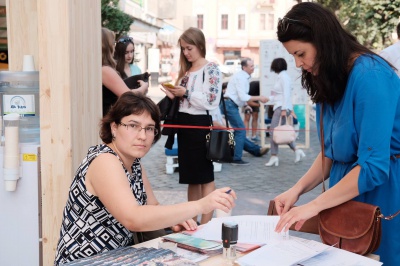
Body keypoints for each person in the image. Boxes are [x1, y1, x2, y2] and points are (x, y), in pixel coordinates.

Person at [272, 3, 400, 265]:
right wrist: (296, 191)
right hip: (343, 197)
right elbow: (331, 154)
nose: (299, 64)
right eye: (293, 56)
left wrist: (315, 205)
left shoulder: (371, 75)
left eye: (301, 53)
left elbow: (373, 167)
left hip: (381, 197)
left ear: (323, 41)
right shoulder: (328, 76)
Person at [54, 92, 236, 265]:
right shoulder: (104, 160)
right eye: (133, 126)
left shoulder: (133, 163)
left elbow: (152, 207)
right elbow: (133, 217)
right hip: (86, 261)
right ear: (114, 127)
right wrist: (200, 205)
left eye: (149, 128)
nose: (142, 136)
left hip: (119, 256)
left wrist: (172, 219)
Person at [160, 27, 223, 224]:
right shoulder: (186, 71)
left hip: (200, 124)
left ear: (200, 45)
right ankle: (191, 220)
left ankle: (206, 223)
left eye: (189, 48)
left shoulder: (211, 68)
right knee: (190, 176)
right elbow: (187, 99)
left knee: (205, 175)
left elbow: (212, 100)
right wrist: (173, 94)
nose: (186, 53)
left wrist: (185, 93)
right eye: (183, 49)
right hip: (185, 125)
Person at [223, 58, 269, 166]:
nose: (253, 68)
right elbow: (242, 96)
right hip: (230, 105)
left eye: (253, 65)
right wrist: (260, 98)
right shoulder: (241, 78)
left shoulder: (243, 77)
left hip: (231, 104)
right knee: (240, 131)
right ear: (244, 67)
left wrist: (246, 105)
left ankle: (255, 150)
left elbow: (239, 95)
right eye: (251, 66)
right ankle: (236, 159)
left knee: (239, 132)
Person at [265, 58, 305, 167]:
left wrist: (284, 109)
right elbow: (278, 94)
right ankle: (297, 150)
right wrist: (268, 100)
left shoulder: (284, 77)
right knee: (280, 133)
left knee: (274, 132)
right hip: (279, 107)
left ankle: (274, 156)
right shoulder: (281, 77)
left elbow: (286, 94)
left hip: (281, 108)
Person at [101, 27, 148, 116]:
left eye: (132, 51)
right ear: (108, 46)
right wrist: (143, 88)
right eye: (113, 43)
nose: (114, 46)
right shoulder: (105, 70)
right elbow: (128, 95)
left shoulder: (99, 68)